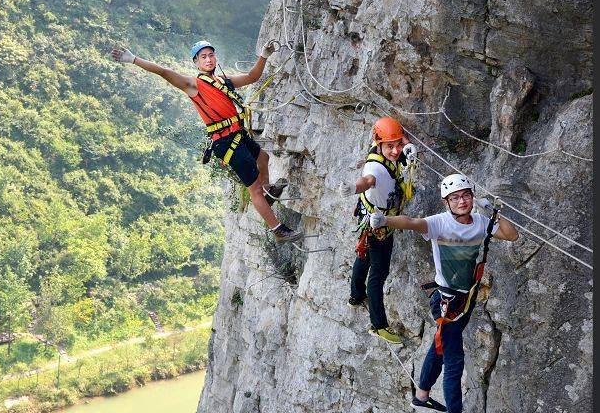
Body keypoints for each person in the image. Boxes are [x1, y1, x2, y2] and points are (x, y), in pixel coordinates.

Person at [369, 173, 518, 413]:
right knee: (454, 359)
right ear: (445, 202)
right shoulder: (439, 224)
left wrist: (493, 213)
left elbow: (512, 235)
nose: (461, 202)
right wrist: (386, 220)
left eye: (465, 196)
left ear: (472, 197)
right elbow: (412, 223)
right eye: (455, 198)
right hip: (447, 302)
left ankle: (422, 395)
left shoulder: (482, 223)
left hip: (466, 299)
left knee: (438, 347)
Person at [111, 40, 303, 243]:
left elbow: (251, 77)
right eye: (203, 57)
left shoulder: (223, 81)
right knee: (253, 187)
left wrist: (264, 55)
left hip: (237, 133)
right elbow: (164, 72)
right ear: (196, 62)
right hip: (226, 141)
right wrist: (133, 59)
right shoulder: (193, 85)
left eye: (211, 55)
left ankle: (267, 196)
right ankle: (278, 229)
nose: (209, 59)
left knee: (263, 158)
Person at [342, 117, 416, 344]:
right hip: (379, 224)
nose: (395, 151)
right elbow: (366, 180)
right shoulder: (375, 169)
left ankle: (355, 296)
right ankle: (379, 325)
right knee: (378, 273)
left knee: (363, 256)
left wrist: (405, 143)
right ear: (380, 144)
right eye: (390, 146)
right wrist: (354, 188)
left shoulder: (381, 148)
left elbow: (396, 142)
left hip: (372, 217)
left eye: (398, 144)